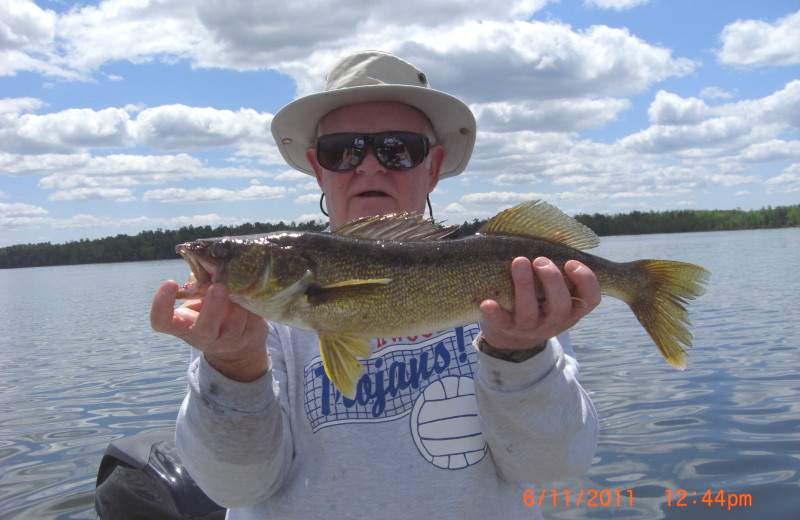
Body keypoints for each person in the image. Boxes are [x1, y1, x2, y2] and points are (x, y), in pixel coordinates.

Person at [151, 50, 601, 520]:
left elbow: (553, 466)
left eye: (397, 148)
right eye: (341, 151)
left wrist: (519, 356)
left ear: (433, 165)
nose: (368, 166)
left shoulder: (517, 293)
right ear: (317, 168)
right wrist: (235, 366)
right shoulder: (244, 322)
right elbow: (236, 488)